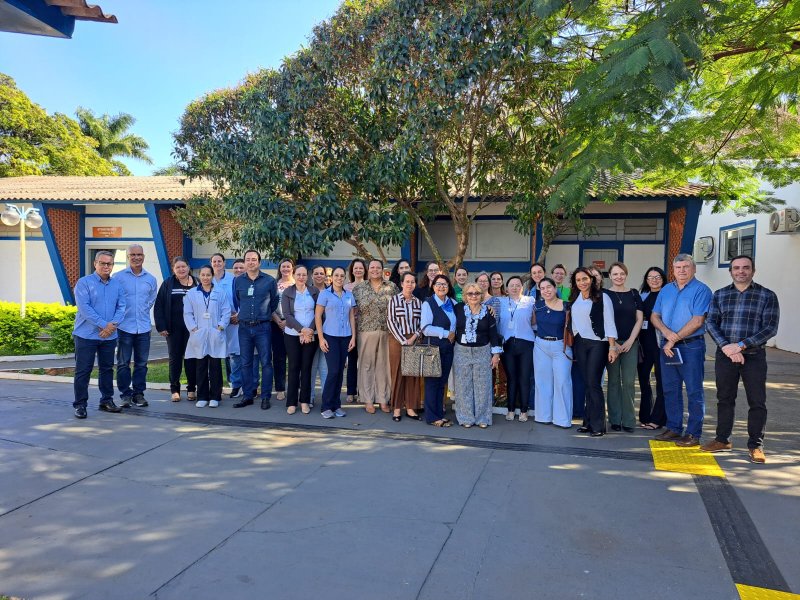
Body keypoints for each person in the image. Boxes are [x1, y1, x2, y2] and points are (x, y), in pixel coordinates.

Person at [702, 255, 779, 464]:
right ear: (731, 271)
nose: (741, 271)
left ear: (753, 271)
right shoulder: (720, 295)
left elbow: (770, 327)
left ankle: (756, 445)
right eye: (736, 268)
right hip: (725, 356)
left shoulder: (767, 295)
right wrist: (727, 347)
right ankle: (722, 440)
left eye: (746, 268)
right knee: (724, 398)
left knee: (757, 401)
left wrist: (741, 345)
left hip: (753, 357)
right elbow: (711, 323)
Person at [651, 254, 713, 447]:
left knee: (694, 390)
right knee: (670, 389)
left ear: (694, 269)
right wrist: (668, 335)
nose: (682, 271)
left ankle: (693, 433)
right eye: (678, 267)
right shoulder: (666, 290)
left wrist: (672, 339)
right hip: (668, 346)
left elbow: (697, 321)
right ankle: (674, 428)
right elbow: (654, 316)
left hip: (691, 347)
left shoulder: (701, 290)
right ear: (673, 269)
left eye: (686, 267)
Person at [72, 251, 126, 419]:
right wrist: (105, 325)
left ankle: (106, 401)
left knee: (107, 370)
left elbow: (122, 307)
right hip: (86, 336)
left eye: (109, 264)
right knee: (83, 371)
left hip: (108, 337)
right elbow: (85, 308)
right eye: (102, 263)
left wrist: (112, 326)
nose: (106, 266)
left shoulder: (117, 285)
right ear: (95, 264)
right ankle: (80, 405)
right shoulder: (84, 283)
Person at [570, 266, 618, 437]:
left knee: (593, 383)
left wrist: (612, 347)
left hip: (599, 343)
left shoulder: (602, 297)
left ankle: (598, 425)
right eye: (578, 280)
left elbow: (610, 323)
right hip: (581, 343)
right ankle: (588, 422)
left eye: (585, 278)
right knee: (587, 383)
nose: (582, 282)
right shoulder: (575, 297)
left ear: (591, 279)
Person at [232, 249, 279, 410]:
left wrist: (263, 314)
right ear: (244, 262)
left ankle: (265, 397)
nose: (250, 262)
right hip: (244, 328)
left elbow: (274, 302)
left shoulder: (269, 281)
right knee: (246, 363)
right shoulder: (238, 281)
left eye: (254, 259)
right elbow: (237, 300)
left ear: (259, 262)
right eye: (248, 259)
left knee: (266, 362)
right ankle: (247, 396)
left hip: (263, 327)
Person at [453, 282, 503, 428]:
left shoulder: (488, 311)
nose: (473, 296)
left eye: (476, 293)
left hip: (482, 351)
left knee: (483, 385)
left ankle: (483, 418)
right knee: (463, 386)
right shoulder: (458, 309)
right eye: (470, 293)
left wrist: (496, 354)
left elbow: (493, 334)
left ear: (481, 295)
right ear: (465, 296)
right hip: (462, 351)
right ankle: (465, 418)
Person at [114, 244, 157, 408]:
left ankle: (138, 394)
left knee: (141, 364)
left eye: (139, 254)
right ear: (128, 257)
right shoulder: (118, 277)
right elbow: (114, 300)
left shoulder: (151, 279)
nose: (136, 257)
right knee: (123, 363)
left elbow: (151, 300)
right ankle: (125, 395)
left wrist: (144, 310)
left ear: (143, 257)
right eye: (133, 255)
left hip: (144, 328)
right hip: (124, 327)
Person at [352, 259, 397, 413]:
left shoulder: (391, 287)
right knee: (366, 365)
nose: (375, 270)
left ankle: (383, 399)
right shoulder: (359, 288)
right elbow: (352, 312)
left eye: (378, 267)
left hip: (387, 331)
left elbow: (397, 307)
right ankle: (368, 399)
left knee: (384, 366)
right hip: (366, 331)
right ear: (368, 270)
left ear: (382, 270)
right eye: (372, 267)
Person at [183, 265, 230, 408]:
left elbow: (226, 311)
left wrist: (220, 326)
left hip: (215, 333)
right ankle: (202, 396)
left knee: (215, 365)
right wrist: (194, 329)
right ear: (199, 276)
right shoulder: (192, 293)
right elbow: (187, 313)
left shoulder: (220, 292)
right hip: (199, 334)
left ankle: (215, 396)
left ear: (212, 276)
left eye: (208, 275)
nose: (205, 278)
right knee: (201, 365)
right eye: (202, 275)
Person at [605, 262, 644, 433]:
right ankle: (614, 418)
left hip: (630, 344)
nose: (618, 277)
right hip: (611, 344)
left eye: (621, 274)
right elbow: (603, 320)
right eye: (615, 274)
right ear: (610, 276)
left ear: (626, 275)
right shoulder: (604, 294)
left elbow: (639, 319)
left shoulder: (634, 294)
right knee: (613, 382)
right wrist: (613, 344)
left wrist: (630, 341)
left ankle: (628, 420)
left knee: (628, 382)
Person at [154, 256, 198, 402]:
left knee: (192, 358)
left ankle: (192, 388)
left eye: (183, 266)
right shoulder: (168, 284)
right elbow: (159, 305)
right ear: (173, 269)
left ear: (188, 267)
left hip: (193, 329)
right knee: (175, 359)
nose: (181, 269)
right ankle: (175, 389)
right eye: (177, 267)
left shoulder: (197, 283)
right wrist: (161, 326)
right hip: (173, 328)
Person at [315, 266, 357, 418]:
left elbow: (352, 316)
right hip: (330, 336)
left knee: (340, 372)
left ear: (345, 278)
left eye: (342, 276)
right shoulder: (324, 294)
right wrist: (321, 338)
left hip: (345, 336)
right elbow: (318, 317)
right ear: (332, 277)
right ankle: (326, 406)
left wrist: (353, 337)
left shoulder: (349, 295)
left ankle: (336, 405)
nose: (339, 278)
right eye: (337, 275)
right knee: (333, 371)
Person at [533, 277, 573, 428]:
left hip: (560, 347)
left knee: (562, 382)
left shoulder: (566, 306)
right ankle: (543, 416)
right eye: (542, 288)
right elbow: (530, 323)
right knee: (542, 382)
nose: (546, 290)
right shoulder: (537, 306)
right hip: (541, 346)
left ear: (555, 288)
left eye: (548, 287)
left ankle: (562, 420)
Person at [495, 276, 536, 422]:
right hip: (507, 344)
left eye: (517, 285)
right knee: (512, 378)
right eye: (511, 285)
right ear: (506, 288)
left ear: (522, 287)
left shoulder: (530, 301)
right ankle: (511, 409)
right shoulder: (501, 302)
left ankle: (524, 410)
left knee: (525, 378)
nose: (514, 287)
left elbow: (536, 319)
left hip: (526, 343)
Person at [282, 265, 320, 415]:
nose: (301, 277)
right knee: (293, 368)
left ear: (308, 276)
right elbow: (287, 314)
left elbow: (319, 313)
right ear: (294, 275)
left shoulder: (314, 291)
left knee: (306, 368)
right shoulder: (287, 292)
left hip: (311, 335)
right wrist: (301, 330)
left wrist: (309, 330)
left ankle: (304, 401)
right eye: (298, 274)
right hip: (292, 335)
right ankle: (291, 402)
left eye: (304, 274)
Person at [386, 272, 424, 421]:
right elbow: (390, 321)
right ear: (402, 284)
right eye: (407, 282)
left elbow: (422, 323)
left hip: (414, 340)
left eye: (412, 282)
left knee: (412, 375)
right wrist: (403, 340)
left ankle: (410, 408)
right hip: (397, 340)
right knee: (397, 374)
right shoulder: (394, 300)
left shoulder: (418, 302)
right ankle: (396, 408)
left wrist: (413, 338)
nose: (410, 284)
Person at [420, 274, 456, 427]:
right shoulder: (428, 303)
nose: (441, 287)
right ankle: (432, 416)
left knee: (442, 382)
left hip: (449, 348)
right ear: (433, 286)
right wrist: (445, 333)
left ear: (448, 287)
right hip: (434, 348)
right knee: (432, 382)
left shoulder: (453, 303)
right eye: (438, 284)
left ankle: (439, 414)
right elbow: (425, 328)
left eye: (445, 284)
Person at [637, 266, 667, 430]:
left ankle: (658, 418)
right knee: (643, 381)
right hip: (643, 345)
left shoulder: (668, 295)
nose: (654, 280)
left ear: (663, 279)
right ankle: (645, 416)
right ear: (646, 280)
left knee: (661, 382)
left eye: (657, 277)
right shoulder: (642, 296)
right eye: (650, 277)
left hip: (660, 344)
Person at [212, 256, 244, 399]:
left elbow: (241, 298)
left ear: (224, 263)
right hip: (214, 323)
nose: (217, 264)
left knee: (234, 355)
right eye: (214, 261)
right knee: (219, 354)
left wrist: (238, 315)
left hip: (233, 321)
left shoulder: (233, 279)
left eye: (220, 261)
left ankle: (236, 384)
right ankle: (221, 384)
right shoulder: (208, 278)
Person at [272, 258, 295, 402]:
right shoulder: (273, 284)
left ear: (292, 268)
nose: (285, 269)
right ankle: (280, 388)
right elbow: (268, 304)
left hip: (293, 325)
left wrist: (288, 321)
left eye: (288, 266)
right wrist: (278, 320)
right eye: (283, 266)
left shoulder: (297, 284)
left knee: (294, 359)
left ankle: (294, 388)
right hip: (276, 324)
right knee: (278, 358)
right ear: (280, 268)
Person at [344, 258, 367, 403]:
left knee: (365, 362)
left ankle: (363, 392)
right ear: (352, 270)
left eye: (360, 268)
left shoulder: (369, 286)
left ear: (364, 270)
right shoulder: (346, 287)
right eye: (355, 268)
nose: (358, 270)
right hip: (350, 329)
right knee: (352, 361)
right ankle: (351, 391)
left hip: (366, 329)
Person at [309, 265, 329, 407]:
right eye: (316, 273)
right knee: (311, 366)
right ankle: (309, 396)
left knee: (325, 368)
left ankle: (326, 398)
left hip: (329, 334)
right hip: (311, 333)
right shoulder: (306, 290)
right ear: (312, 275)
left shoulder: (332, 290)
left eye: (321, 273)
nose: (319, 275)